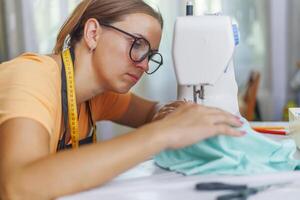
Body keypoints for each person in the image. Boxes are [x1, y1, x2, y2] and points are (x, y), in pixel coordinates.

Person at [0, 0, 245, 199]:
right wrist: (163, 133)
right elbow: (19, 186)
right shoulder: (31, 76)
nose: (145, 63)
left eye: (150, 55)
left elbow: (153, 113)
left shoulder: (96, 96)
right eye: (137, 44)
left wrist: (174, 115)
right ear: (93, 33)